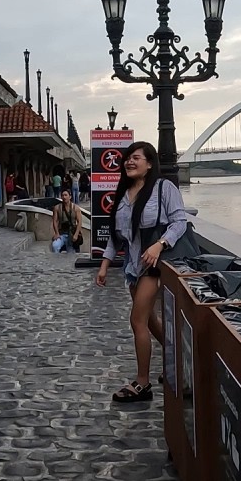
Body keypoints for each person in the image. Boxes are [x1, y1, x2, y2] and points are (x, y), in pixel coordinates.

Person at [95, 141, 188, 403]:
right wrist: (104, 265)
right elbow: (118, 236)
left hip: (154, 266)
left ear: (149, 163)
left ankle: (143, 383)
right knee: (148, 320)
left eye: (136, 158)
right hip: (133, 267)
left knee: (136, 320)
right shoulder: (123, 195)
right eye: (127, 158)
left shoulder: (163, 188)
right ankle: (179, 361)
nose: (129, 162)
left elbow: (180, 221)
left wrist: (160, 245)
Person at [50, 189, 83, 253]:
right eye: (62, 195)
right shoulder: (57, 208)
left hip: (72, 234)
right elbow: (55, 221)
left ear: (70, 197)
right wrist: (56, 233)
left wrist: (76, 234)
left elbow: (79, 222)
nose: (64, 197)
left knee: (71, 253)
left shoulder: (76, 208)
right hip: (61, 233)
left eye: (66, 195)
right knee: (55, 246)